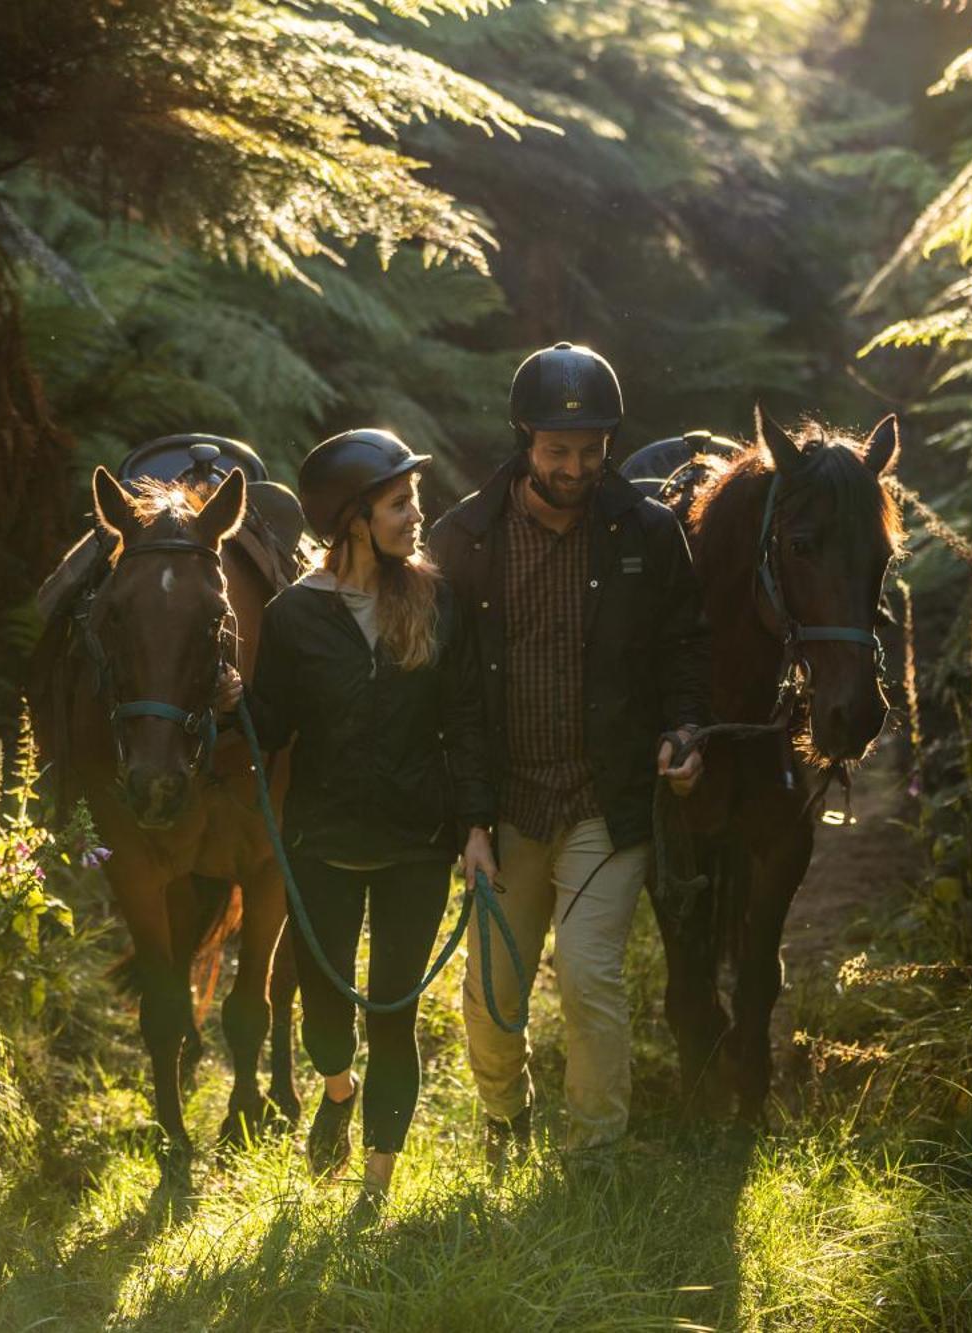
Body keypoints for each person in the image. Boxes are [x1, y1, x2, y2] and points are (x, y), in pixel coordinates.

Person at [426, 341, 710, 1160]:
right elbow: (453, 698)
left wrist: (686, 733)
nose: (577, 467)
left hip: (605, 801)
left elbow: (686, 650)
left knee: (590, 979)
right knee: (491, 993)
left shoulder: (649, 535)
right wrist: (470, 820)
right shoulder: (465, 539)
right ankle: (505, 1119)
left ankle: (593, 1155)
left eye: (592, 451)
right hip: (506, 805)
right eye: (558, 451)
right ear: (524, 438)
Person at [227, 428, 497, 1204]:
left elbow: (467, 719)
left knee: (394, 1018)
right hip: (322, 844)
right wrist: (228, 707)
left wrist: (475, 827)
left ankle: (374, 1187)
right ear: (352, 518)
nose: (416, 514)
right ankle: (337, 1090)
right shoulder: (291, 617)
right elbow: (271, 725)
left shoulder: (437, 600)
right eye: (397, 502)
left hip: (418, 841)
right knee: (324, 1023)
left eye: (413, 499)